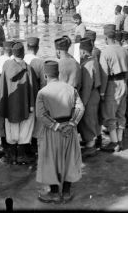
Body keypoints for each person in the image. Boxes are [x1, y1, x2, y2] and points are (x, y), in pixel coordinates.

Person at [35, 60, 84, 204]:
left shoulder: (42, 92)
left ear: (45, 76)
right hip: (69, 130)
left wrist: (56, 126)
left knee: (51, 160)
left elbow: (40, 115)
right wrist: (72, 123)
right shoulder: (70, 88)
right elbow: (80, 108)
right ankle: (67, 193)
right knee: (69, 159)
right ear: (58, 74)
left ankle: (55, 194)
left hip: (52, 131)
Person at [0, 42, 38, 165]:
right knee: (25, 129)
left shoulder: (6, 67)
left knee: (11, 130)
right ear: (23, 53)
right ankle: (21, 156)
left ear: (13, 53)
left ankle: (11, 156)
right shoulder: (28, 68)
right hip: (25, 105)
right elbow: (33, 89)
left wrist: (2, 104)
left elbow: (1, 87)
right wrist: (32, 105)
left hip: (10, 106)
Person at [98, 24, 128, 151]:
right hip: (123, 82)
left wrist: (102, 92)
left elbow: (104, 74)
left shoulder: (105, 52)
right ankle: (120, 140)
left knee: (110, 114)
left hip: (112, 84)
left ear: (106, 38)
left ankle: (114, 142)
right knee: (121, 113)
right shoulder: (124, 50)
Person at [78, 37, 101, 157]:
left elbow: (87, 86)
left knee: (88, 120)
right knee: (93, 119)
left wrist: (83, 103)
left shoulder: (87, 64)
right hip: (95, 94)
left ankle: (90, 145)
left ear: (82, 51)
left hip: (89, 95)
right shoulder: (93, 59)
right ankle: (93, 140)